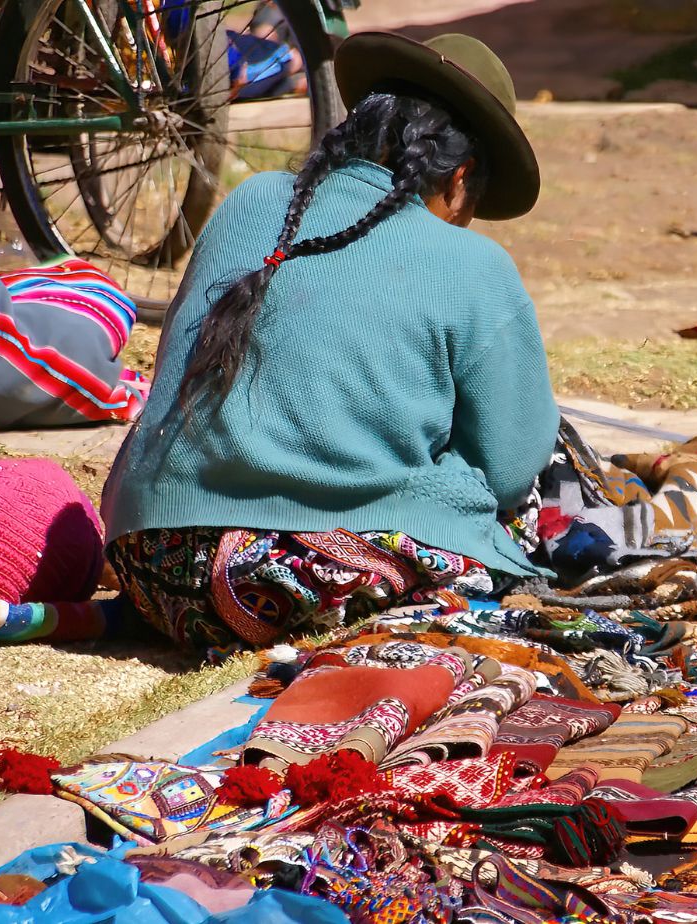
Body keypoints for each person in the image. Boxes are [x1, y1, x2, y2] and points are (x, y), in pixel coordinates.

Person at [99, 32, 558, 655]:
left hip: (155, 565)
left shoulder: (249, 200)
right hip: (297, 581)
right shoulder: (474, 263)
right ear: (461, 177)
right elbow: (508, 471)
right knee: (540, 477)